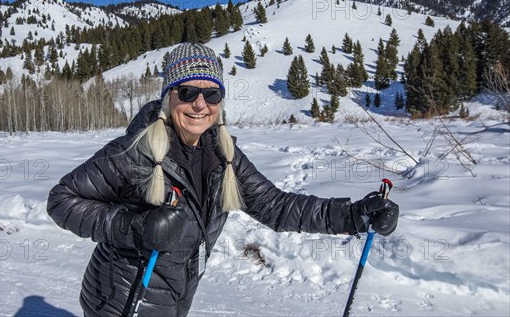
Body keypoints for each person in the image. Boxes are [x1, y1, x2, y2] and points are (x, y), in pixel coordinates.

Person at [47, 43, 399, 317]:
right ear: (169, 97)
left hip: (174, 299)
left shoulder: (223, 155)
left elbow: (276, 206)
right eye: (187, 92)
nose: (200, 104)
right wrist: (134, 227)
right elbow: (62, 200)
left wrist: (354, 216)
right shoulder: (134, 152)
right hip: (120, 303)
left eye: (211, 93)